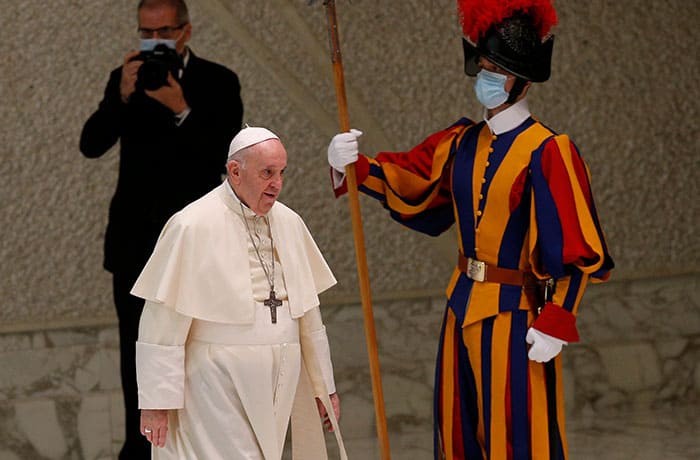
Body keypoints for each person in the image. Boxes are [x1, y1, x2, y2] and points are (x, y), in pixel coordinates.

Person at [326, 0, 614, 458]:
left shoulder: (549, 150)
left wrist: (557, 319)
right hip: (460, 304)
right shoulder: (462, 141)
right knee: (458, 430)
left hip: (516, 315)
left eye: (497, 68)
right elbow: (417, 184)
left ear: (522, 78)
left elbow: (579, 247)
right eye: (483, 65)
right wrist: (355, 167)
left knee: (519, 435)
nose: (488, 76)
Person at [79, 0, 243, 457]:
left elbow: (226, 162)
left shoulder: (218, 81)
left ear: (185, 32)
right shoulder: (125, 77)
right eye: (145, 33)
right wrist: (122, 97)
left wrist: (182, 109)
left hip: (196, 247)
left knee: (200, 355)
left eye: (163, 33)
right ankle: (141, 449)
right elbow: (91, 144)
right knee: (138, 355)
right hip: (135, 244)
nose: (154, 43)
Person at [131, 126, 347, 459]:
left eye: (281, 173)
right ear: (235, 172)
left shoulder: (290, 223)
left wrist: (324, 386)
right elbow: (162, 320)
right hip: (216, 382)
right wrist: (156, 403)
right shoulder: (192, 225)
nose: (277, 184)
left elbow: (309, 315)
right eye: (267, 173)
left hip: (279, 377)